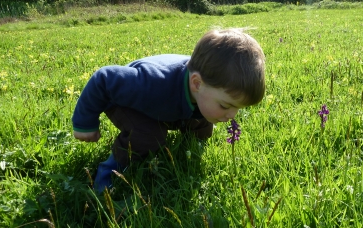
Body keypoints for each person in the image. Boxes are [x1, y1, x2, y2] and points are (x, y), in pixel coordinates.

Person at [72, 28, 266, 193]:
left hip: (173, 100)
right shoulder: (150, 83)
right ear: (197, 83)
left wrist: (216, 110)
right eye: (226, 105)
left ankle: (189, 149)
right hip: (128, 102)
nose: (232, 116)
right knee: (148, 135)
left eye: (238, 108)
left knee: (204, 121)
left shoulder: (205, 87)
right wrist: (84, 122)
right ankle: (108, 175)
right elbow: (103, 78)